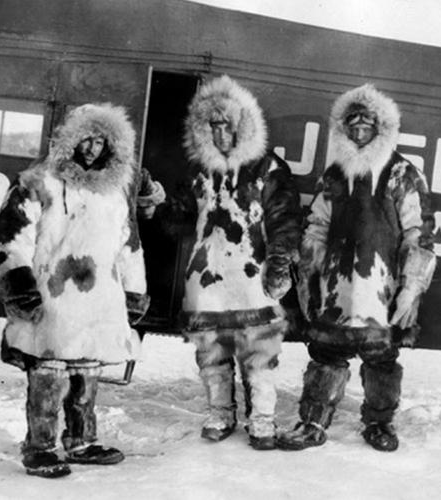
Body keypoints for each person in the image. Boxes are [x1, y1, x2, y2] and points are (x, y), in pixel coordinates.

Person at [0, 103, 162, 478]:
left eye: (100, 140)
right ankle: (40, 447)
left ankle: (81, 442)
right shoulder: (39, 181)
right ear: (70, 139)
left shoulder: (113, 191)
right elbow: (10, 237)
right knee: (48, 377)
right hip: (50, 300)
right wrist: (20, 288)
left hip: (97, 303)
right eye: (85, 138)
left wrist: (134, 293)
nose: (91, 147)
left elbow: (128, 246)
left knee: (86, 377)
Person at [277, 84, 436, 452]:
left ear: (381, 128)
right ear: (343, 129)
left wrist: (410, 288)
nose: (360, 130)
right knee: (327, 353)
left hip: (382, 288)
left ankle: (380, 423)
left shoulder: (402, 174)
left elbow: (420, 235)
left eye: (367, 125)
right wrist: (308, 278)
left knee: (381, 358)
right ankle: (313, 421)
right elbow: (316, 226)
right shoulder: (335, 175)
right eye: (353, 125)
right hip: (336, 287)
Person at [175, 75, 302, 450]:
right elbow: (180, 217)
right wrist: (158, 204)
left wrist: (279, 261)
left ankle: (261, 419)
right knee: (212, 352)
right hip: (207, 278)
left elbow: (285, 220)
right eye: (211, 126)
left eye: (226, 125)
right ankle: (221, 412)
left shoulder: (268, 168)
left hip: (252, 278)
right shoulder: (198, 171)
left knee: (259, 353)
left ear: (242, 126)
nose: (219, 134)